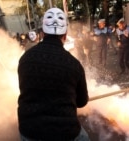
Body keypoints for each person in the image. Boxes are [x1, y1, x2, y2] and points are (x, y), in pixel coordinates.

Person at [17, 7, 89, 141]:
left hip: (29, 130)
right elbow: (81, 102)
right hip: (65, 132)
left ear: (42, 33)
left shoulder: (25, 59)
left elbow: (25, 89)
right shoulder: (74, 65)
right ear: (65, 35)